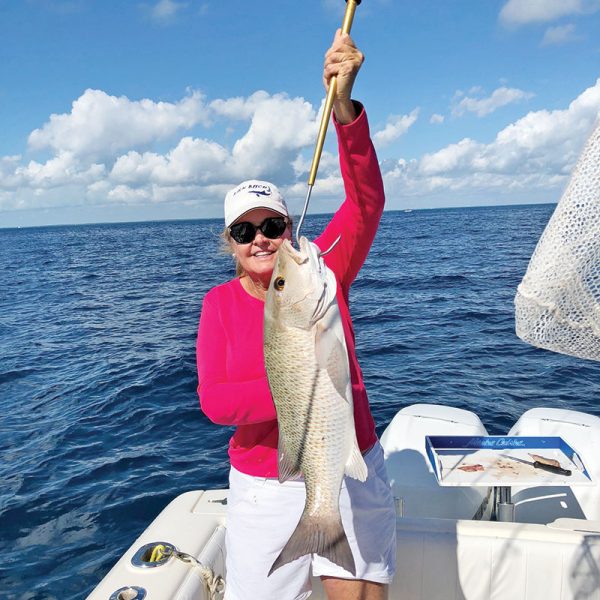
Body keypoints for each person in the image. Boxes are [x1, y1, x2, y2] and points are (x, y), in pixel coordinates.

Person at [196, 30, 396, 600]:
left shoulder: (323, 269)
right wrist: (297, 386)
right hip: (266, 483)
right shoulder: (218, 305)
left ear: (290, 230)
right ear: (229, 242)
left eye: (273, 226)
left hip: (349, 461)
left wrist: (345, 109)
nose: (261, 240)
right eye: (244, 230)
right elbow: (216, 401)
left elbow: (366, 201)